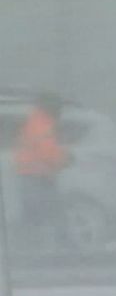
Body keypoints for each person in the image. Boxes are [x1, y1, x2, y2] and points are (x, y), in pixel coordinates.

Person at [14, 92, 71, 249]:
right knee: (55, 211)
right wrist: (65, 159)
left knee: (32, 215)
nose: (60, 111)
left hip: (30, 175)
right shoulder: (42, 124)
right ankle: (63, 244)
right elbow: (47, 151)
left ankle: (28, 247)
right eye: (59, 107)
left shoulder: (35, 121)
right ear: (51, 106)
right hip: (38, 176)